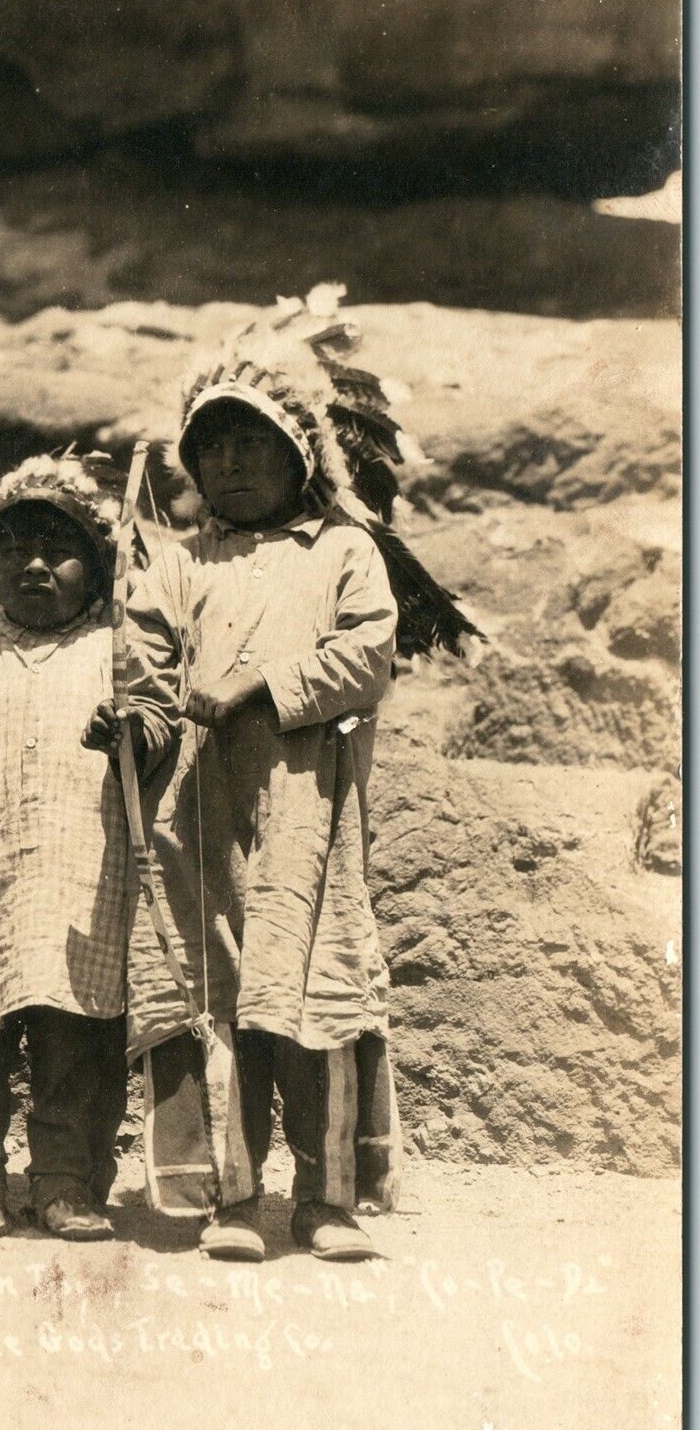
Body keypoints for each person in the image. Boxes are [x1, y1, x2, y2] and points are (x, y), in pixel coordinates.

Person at [85, 288, 478, 1264]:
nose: (230, 461)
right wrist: (131, 729)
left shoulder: (341, 550)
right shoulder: (173, 565)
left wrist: (261, 684)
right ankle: (229, 1198)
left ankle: (326, 1198)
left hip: (309, 803)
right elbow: (143, 676)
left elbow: (368, 662)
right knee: (216, 993)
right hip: (198, 813)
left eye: (252, 441)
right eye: (210, 446)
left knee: (311, 990)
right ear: (189, 465)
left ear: (297, 454)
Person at [0, 453, 159, 1241]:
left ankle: (65, 1182)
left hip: (81, 887)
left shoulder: (115, 654)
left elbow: (159, 727)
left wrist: (131, 733)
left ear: (101, 567)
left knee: (76, 1042)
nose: (35, 566)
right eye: (13, 552)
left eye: (58, 550)